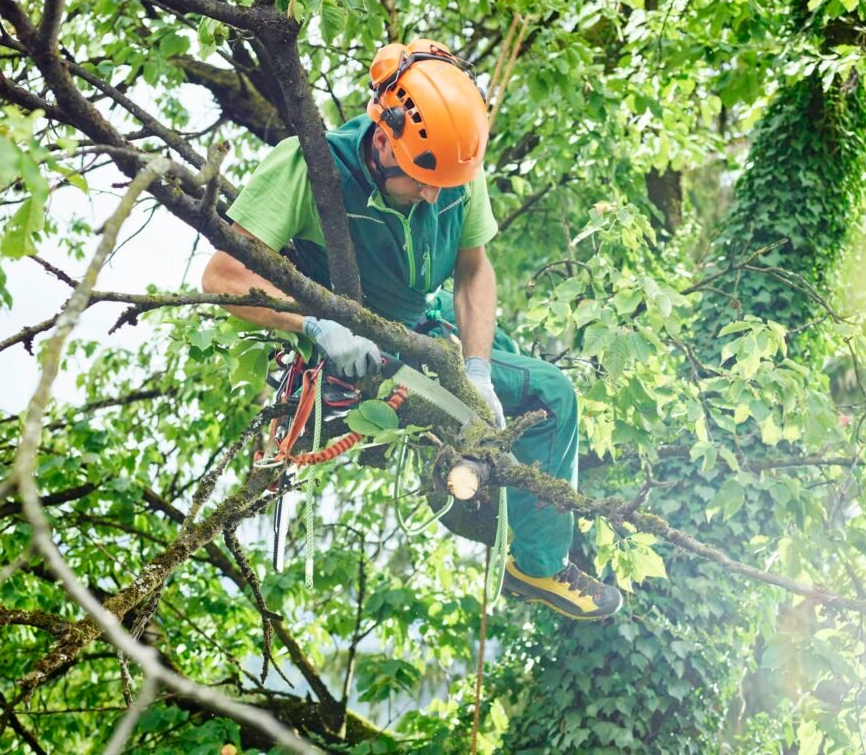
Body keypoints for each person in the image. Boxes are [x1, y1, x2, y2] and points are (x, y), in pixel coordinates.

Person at [201, 39, 621, 621]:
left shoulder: (452, 168)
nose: (432, 195)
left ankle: (520, 531)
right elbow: (224, 275)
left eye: (443, 185)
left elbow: (474, 271)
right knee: (551, 393)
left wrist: (478, 369)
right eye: (419, 180)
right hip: (355, 354)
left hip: (427, 330)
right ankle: (539, 568)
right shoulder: (310, 166)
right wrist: (316, 325)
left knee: (527, 386)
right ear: (383, 136)